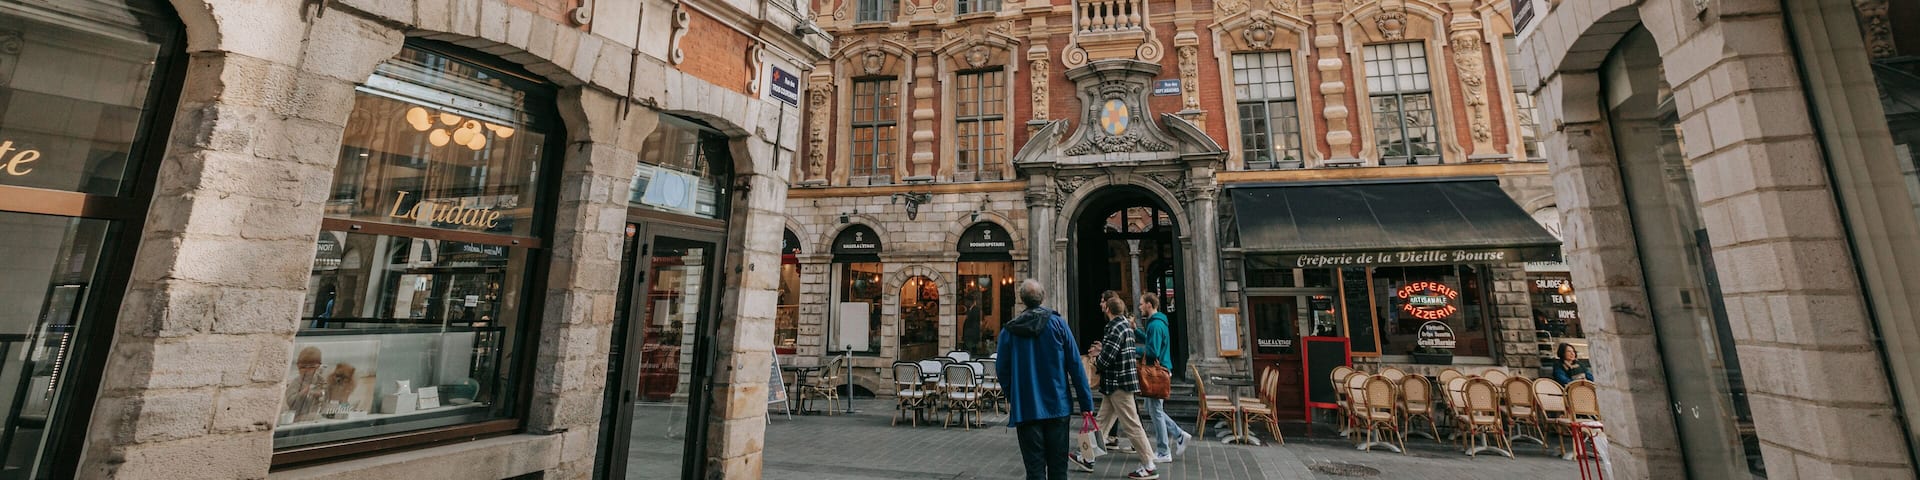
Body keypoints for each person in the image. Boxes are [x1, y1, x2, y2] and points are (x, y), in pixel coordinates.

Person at [998, 279, 1096, 480]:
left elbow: (1002, 369)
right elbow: (1075, 365)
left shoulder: (1009, 331)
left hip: (1026, 408)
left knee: (1034, 469)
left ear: (1022, 299)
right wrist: (1086, 402)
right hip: (1057, 405)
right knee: (1059, 467)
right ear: (1043, 297)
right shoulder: (1058, 324)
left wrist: (1012, 396)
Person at [1081, 295, 1160, 480]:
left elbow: (1107, 359)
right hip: (1117, 382)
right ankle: (1086, 456)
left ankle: (1149, 464)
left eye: (1103, 304)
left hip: (1119, 383)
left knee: (1132, 425)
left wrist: (1096, 359)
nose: (1101, 306)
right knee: (1101, 422)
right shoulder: (1124, 325)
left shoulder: (1115, 327)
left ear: (1108, 308)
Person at [1135, 293, 1191, 463]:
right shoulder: (1157, 323)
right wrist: (1135, 331)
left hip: (1158, 372)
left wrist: (1132, 350)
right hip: (1162, 370)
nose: (1139, 307)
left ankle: (1164, 450)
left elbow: (1153, 351)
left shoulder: (1155, 325)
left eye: (1141, 304)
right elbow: (1151, 341)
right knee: (1153, 409)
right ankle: (1179, 434)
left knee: (1156, 412)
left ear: (1150, 305)